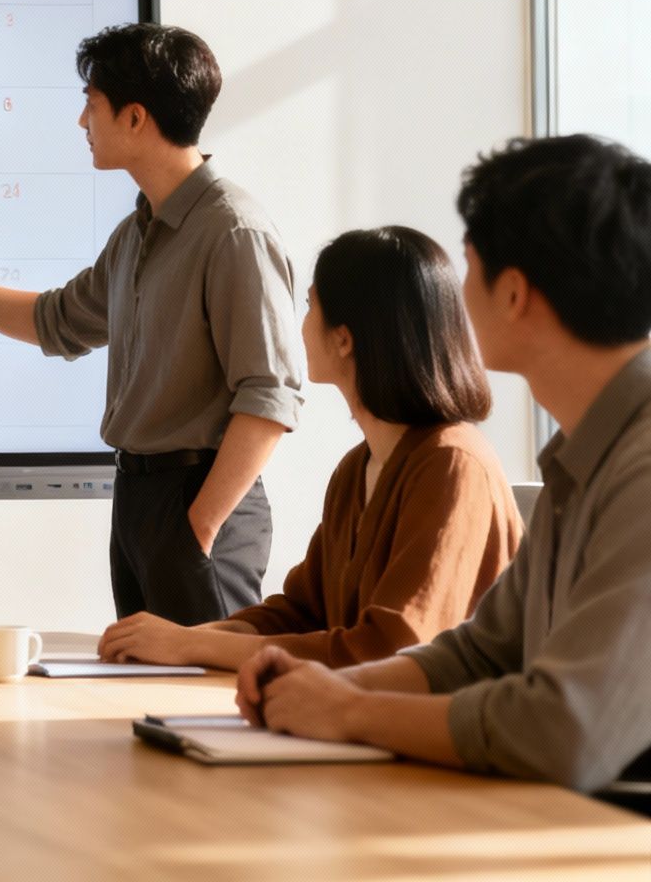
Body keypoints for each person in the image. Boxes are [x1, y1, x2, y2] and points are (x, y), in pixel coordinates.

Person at [0, 23, 305, 624]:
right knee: (145, 700)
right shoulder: (135, 235)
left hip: (199, 503)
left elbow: (270, 397)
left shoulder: (232, 231)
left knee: (209, 705)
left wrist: (201, 524)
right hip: (140, 502)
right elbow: (54, 321)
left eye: (92, 106)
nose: (82, 123)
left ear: (135, 118)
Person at [239, 135, 651, 800]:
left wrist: (349, 712)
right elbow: (481, 652)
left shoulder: (640, 470)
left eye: (468, 267)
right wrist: (324, 689)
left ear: (513, 292)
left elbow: (564, 730)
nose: (455, 297)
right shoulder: (588, 456)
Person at [98, 227, 521, 670]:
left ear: (343, 338)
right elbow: (299, 613)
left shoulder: (451, 464)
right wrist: (175, 638)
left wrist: (189, 646)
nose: (299, 325)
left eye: (309, 306)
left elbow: (389, 649)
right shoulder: (356, 468)